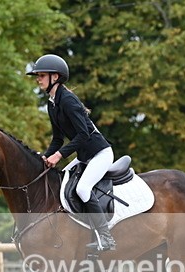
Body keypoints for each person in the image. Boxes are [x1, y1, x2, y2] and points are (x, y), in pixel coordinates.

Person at [27, 53, 116, 252]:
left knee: (82, 189)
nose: (38, 79)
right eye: (38, 76)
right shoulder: (52, 104)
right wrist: (46, 156)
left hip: (100, 153)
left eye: (41, 75)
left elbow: (83, 135)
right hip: (84, 157)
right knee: (60, 183)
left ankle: (106, 237)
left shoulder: (67, 100)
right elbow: (58, 139)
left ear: (55, 77)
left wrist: (59, 155)